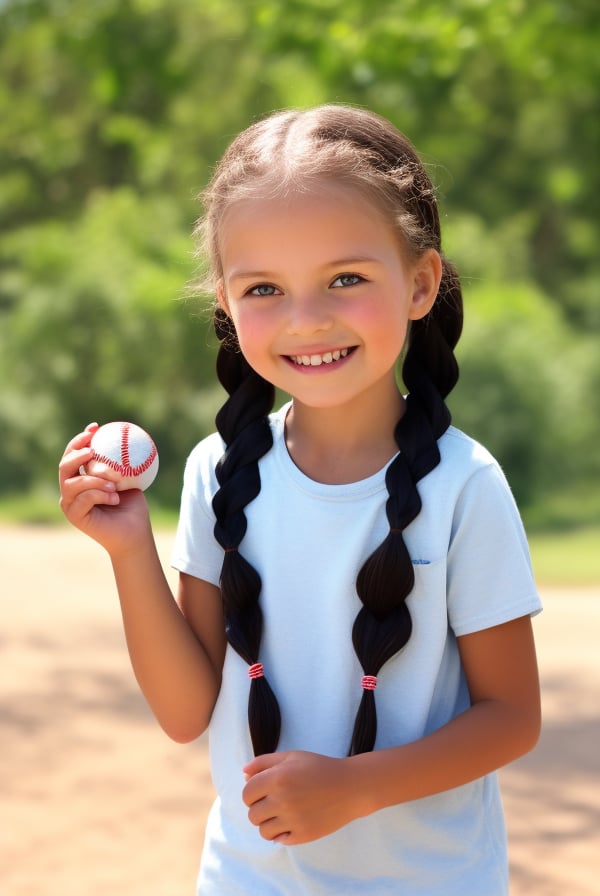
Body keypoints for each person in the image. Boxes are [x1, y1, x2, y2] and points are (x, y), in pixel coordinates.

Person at [59, 104, 542, 895]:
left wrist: (357, 789)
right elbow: (187, 713)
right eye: (264, 288)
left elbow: (512, 718)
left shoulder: (465, 485)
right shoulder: (218, 471)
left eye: (346, 279)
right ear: (225, 301)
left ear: (421, 283)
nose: (306, 319)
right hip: (247, 880)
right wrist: (128, 549)